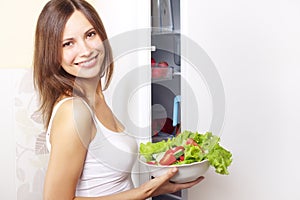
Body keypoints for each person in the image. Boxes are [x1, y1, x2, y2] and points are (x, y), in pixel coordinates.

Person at [33, 0, 204, 199]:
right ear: (52, 54)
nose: (86, 50)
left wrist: (156, 188)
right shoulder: (74, 110)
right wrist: (144, 191)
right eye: (68, 43)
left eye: (90, 34)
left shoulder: (95, 97)